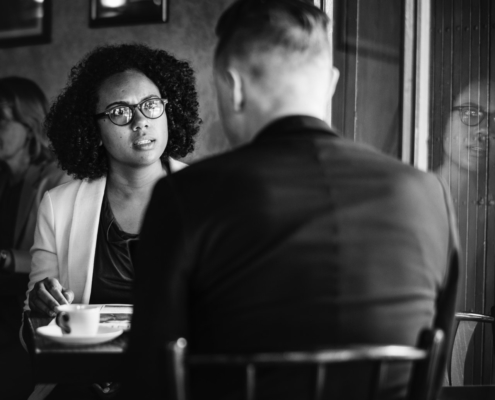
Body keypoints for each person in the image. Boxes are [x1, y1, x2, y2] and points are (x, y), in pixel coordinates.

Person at [125, 1, 459, 399]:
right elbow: (435, 373)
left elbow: (150, 376)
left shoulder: (185, 195)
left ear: (233, 87)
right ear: (331, 82)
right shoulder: (426, 194)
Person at [23, 43, 200, 400]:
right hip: (83, 384)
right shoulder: (58, 206)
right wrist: (40, 305)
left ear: (168, 111)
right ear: (94, 130)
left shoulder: (208, 196)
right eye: (120, 111)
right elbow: (33, 333)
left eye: (150, 105)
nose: (140, 122)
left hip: (181, 382)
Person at [0, 77, 70, 399]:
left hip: (23, 308)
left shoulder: (56, 178)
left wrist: (5, 257)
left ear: (29, 126)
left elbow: (59, 255)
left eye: (1, 120)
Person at [435, 79, 495, 311]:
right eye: (470, 113)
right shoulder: (419, 197)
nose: (484, 131)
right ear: (443, 117)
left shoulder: (488, 209)